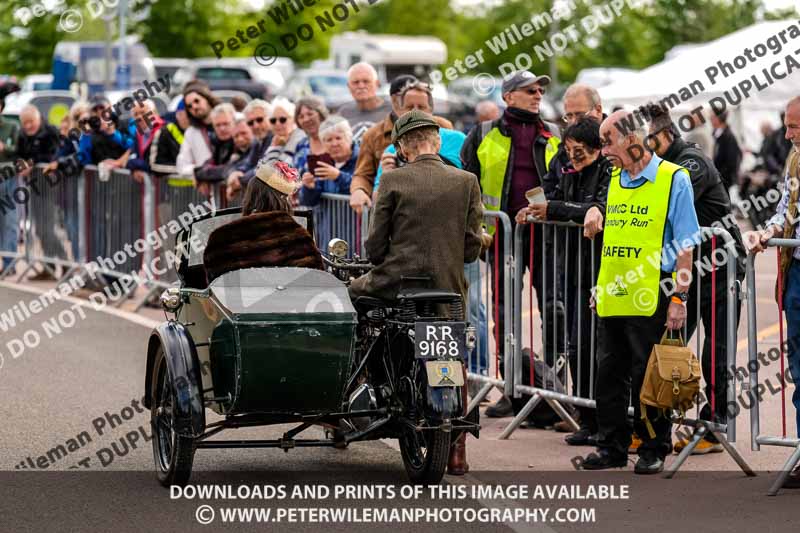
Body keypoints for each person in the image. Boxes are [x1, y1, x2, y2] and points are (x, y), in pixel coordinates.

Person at [349, 110, 483, 476]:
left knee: (348, 298)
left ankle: (365, 379)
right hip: (447, 290)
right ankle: (457, 454)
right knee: (451, 358)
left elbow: (375, 247)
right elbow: (471, 248)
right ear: (437, 141)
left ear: (403, 147)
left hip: (396, 284)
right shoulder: (466, 181)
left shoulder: (393, 181)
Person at [579, 110, 701, 474]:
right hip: (614, 293)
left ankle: (653, 447)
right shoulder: (614, 178)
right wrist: (600, 286)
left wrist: (679, 297)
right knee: (609, 373)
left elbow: (687, 243)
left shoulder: (672, 178)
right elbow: (615, 237)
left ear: (631, 140)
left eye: (607, 141)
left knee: (648, 374)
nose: (603, 151)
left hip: (653, 293)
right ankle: (611, 446)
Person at [644, 102, 747, 455]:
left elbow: (660, 203)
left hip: (721, 267)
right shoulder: (660, 162)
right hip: (688, 270)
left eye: (645, 143)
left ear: (663, 136)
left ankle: (714, 426)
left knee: (715, 352)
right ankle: (653, 426)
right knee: (664, 346)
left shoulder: (689, 163)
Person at [460, 70, 562, 418]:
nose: (537, 95)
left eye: (539, 90)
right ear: (508, 96)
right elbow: (466, 182)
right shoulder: (483, 133)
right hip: (502, 235)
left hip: (547, 237)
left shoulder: (554, 134)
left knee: (553, 310)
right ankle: (512, 389)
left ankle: (554, 391)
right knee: (505, 316)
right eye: (529, 90)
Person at [516, 116, 611, 446]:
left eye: (580, 151)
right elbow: (553, 196)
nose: (573, 156)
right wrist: (533, 209)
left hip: (602, 271)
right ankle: (585, 419)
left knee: (601, 350)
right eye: (569, 150)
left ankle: (606, 422)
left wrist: (555, 208)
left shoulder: (609, 171)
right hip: (571, 268)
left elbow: (597, 207)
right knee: (576, 346)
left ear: (598, 149)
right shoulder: (564, 164)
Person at [744, 96, 800, 488]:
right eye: (786, 125)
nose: (787, 133)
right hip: (795, 271)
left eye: (794, 126)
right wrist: (768, 232)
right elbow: (785, 209)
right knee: (799, 368)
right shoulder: (795, 159)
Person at [349, 75, 453, 216]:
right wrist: (358, 191)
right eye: (409, 105)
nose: (415, 111)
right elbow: (362, 173)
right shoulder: (373, 135)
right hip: (395, 209)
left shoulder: (444, 127)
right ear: (396, 102)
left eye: (421, 105)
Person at [204, 160, 322, 282]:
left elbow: (213, 288)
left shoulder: (220, 238)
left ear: (251, 194)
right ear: (285, 201)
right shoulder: (297, 237)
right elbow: (315, 282)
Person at [17, 104, 65, 280]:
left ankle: (65, 264)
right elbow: (19, 154)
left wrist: (32, 162)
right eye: (25, 123)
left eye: (31, 122)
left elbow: (54, 155)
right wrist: (22, 163)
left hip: (51, 185)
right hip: (34, 186)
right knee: (39, 229)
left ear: (38, 119)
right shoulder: (23, 135)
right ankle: (48, 266)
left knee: (48, 228)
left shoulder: (51, 132)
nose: (28, 126)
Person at [299, 116, 358, 206]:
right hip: (329, 219)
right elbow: (308, 202)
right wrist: (310, 188)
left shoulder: (362, 159)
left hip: (354, 219)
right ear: (323, 144)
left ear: (349, 138)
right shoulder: (323, 163)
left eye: (338, 138)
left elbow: (363, 188)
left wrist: (338, 176)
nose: (334, 144)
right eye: (329, 140)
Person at [226, 99, 274, 199]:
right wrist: (235, 173)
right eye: (250, 123)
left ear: (270, 117)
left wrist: (239, 180)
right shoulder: (258, 141)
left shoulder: (275, 138)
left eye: (259, 120)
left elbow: (265, 168)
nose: (255, 125)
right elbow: (248, 164)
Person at [337, 62, 391, 139]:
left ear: (377, 84)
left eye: (366, 81)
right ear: (348, 86)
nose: (361, 86)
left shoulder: (392, 111)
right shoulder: (343, 113)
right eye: (356, 82)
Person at [176, 82, 220, 177]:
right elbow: (182, 166)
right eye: (189, 106)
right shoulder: (191, 132)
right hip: (206, 187)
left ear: (207, 99)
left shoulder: (230, 119)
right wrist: (201, 171)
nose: (194, 107)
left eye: (197, 101)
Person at [194, 103, 238, 193]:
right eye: (218, 125)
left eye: (226, 124)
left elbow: (228, 169)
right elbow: (206, 165)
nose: (222, 128)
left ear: (234, 122)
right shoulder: (216, 142)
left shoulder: (241, 142)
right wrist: (199, 174)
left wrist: (201, 175)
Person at [0, 97, 19, 273]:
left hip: (8, 177)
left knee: (10, 221)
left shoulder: (11, 126)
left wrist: (5, 147)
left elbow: (19, 151)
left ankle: (9, 263)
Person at [126, 100, 165, 183]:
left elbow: (154, 164)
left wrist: (135, 164)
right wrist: (135, 170)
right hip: (149, 186)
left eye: (143, 112)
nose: (139, 117)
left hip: (165, 184)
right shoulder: (139, 133)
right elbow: (132, 157)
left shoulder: (164, 130)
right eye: (136, 114)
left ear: (153, 113)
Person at [293, 96, 330, 183]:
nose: (306, 119)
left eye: (310, 114)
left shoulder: (334, 139)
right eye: (301, 117)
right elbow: (295, 178)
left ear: (321, 114)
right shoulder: (301, 145)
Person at [148, 98, 187, 177]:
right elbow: (154, 164)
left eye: (188, 115)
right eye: (181, 114)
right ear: (176, 114)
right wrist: (186, 170)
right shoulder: (164, 131)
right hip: (171, 187)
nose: (185, 118)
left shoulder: (198, 130)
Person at [262, 98, 306, 166]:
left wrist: (275, 148)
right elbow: (259, 169)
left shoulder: (299, 138)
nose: (277, 124)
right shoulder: (277, 139)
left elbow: (276, 171)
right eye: (273, 120)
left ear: (293, 119)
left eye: (283, 120)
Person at [710, 109, 742, 191]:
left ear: (718, 118)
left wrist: (720, 177)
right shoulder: (716, 134)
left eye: (712, 117)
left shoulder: (728, 137)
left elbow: (731, 162)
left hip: (724, 181)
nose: (710, 119)